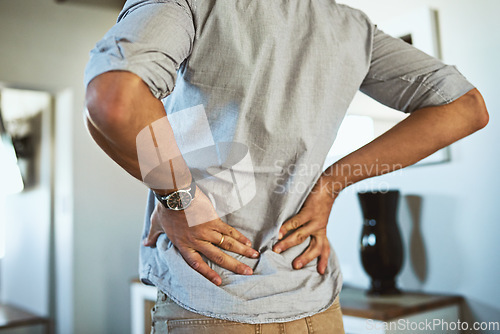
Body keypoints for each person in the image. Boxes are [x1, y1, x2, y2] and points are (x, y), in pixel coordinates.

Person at [84, 0, 488, 332]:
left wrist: (180, 201)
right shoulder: (351, 27)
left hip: (210, 300)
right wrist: (332, 184)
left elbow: (113, 100)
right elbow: (466, 107)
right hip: (316, 304)